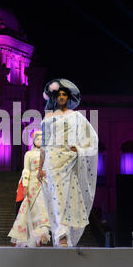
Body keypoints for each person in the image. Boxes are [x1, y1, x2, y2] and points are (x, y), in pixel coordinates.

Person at [38, 78, 98, 247]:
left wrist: (79, 149)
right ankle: (61, 235)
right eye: (59, 94)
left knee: (66, 198)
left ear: (68, 98)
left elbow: (91, 138)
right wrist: (40, 167)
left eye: (65, 94)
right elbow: (44, 145)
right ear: (54, 98)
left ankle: (64, 235)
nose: (62, 97)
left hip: (68, 161)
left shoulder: (76, 116)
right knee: (56, 196)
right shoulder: (48, 118)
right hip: (51, 160)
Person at [8, 130, 51, 247]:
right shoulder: (29, 154)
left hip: (44, 182)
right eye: (37, 139)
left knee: (43, 207)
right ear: (33, 141)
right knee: (29, 209)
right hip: (32, 182)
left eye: (41, 139)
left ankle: (41, 233)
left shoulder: (48, 153)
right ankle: (27, 238)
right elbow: (26, 170)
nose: (39, 141)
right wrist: (25, 186)